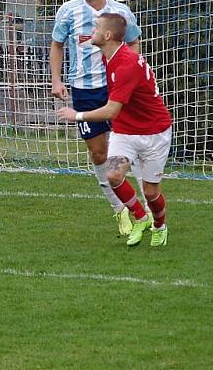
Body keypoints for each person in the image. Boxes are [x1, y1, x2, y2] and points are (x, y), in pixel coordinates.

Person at [57, 13, 171, 247]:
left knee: (151, 193)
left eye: (97, 27)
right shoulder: (109, 54)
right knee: (112, 175)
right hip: (126, 132)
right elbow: (87, 38)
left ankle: (160, 226)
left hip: (154, 132)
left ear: (107, 35)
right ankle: (140, 217)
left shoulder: (126, 64)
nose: (93, 30)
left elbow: (110, 111)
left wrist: (75, 115)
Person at [50, 0, 144, 237]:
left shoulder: (120, 12)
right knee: (99, 153)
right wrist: (56, 80)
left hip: (116, 89)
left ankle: (145, 208)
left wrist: (133, 74)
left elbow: (134, 42)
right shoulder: (68, 11)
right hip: (84, 92)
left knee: (130, 148)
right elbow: (56, 46)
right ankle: (121, 210)